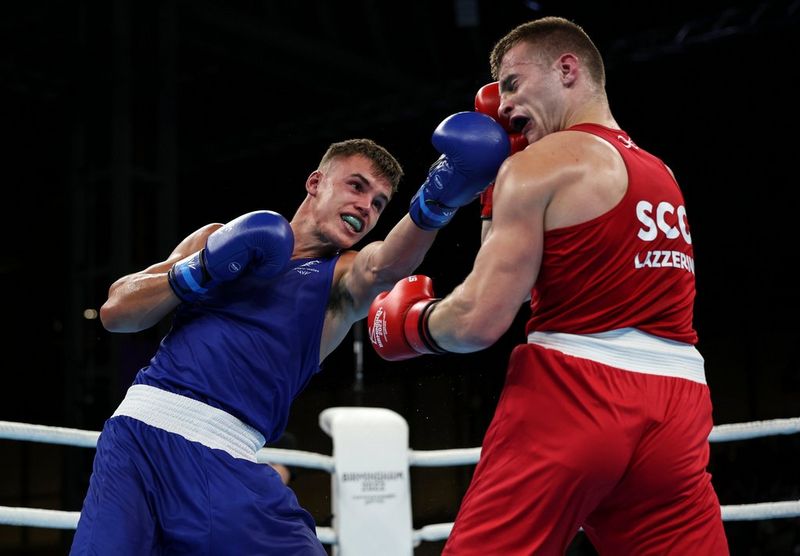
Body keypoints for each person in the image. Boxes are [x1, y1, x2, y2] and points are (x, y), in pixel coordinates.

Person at [69, 111, 512, 555]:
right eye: (356, 186)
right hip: (135, 436)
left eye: (379, 203)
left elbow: (385, 266)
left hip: (224, 460)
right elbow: (116, 312)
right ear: (316, 182)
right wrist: (200, 270)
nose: (366, 206)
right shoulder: (219, 238)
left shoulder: (340, 279)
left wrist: (437, 201)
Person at [368, 16, 729, 555]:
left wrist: (414, 323)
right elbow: (523, 276)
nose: (504, 105)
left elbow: (478, 320)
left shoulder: (540, 166)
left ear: (567, 69)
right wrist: (495, 188)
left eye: (513, 83)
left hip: (576, 393)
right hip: (678, 408)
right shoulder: (663, 175)